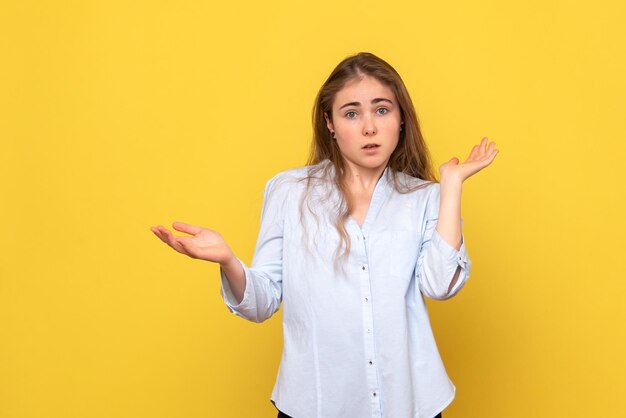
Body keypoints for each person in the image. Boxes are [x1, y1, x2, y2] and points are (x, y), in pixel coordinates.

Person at [151, 52, 498, 418]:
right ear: (329, 122)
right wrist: (227, 261)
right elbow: (261, 301)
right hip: (316, 405)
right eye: (351, 113)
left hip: (408, 403)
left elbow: (440, 285)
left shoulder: (426, 198)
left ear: (401, 120)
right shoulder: (289, 192)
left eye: (382, 110)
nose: (369, 127)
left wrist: (451, 185)